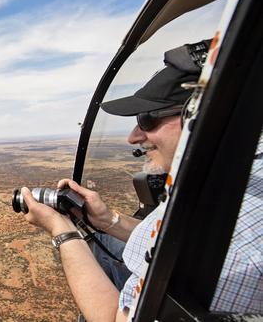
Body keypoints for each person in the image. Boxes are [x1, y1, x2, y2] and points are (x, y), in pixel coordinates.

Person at [20, 40, 262, 320]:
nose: (133, 137)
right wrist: (108, 220)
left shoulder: (231, 239)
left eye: (147, 119)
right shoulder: (231, 172)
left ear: (200, 115)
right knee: (105, 239)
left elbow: (113, 318)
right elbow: (165, 241)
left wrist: (62, 231)